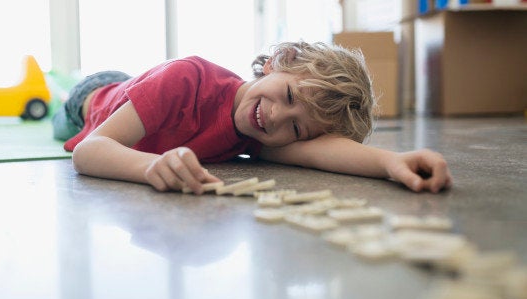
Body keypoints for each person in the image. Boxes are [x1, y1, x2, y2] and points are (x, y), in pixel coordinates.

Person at [52, 41, 452, 195]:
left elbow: (323, 152)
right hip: (94, 98)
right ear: (281, 61)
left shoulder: (262, 135)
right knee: (62, 114)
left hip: (135, 94)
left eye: (297, 128)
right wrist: (152, 165)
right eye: (290, 94)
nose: (277, 117)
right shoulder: (186, 78)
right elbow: (89, 151)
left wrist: (391, 162)